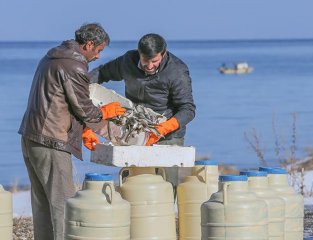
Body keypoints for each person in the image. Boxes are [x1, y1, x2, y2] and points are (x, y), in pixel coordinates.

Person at [18, 23, 126, 240]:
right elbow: (84, 108)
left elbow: (61, 101)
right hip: (51, 141)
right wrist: (104, 112)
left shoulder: (52, 58)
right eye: (99, 50)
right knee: (63, 205)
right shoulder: (74, 66)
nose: (98, 56)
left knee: (42, 205)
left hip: (31, 136)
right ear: (88, 45)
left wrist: (83, 129)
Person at [89, 33, 196, 187]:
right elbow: (102, 72)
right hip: (134, 133)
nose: (150, 66)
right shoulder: (127, 61)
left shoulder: (177, 71)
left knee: (165, 187)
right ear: (139, 54)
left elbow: (188, 109)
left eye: (155, 61)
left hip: (168, 136)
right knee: (133, 186)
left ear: (163, 54)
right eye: (146, 60)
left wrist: (164, 128)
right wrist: (78, 87)